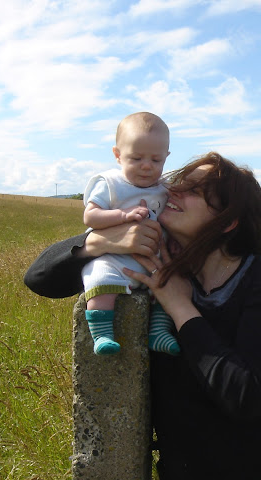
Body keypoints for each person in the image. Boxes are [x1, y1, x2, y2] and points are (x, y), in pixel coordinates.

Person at [24, 152, 261, 479]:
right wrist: (99, 242)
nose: (173, 191)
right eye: (178, 183)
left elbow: (245, 394)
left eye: (193, 191)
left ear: (227, 221)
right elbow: (39, 278)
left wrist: (180, 307)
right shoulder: (159, 265)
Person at [81, 111, 179, 355]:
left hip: (154, 262)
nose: (146, 166)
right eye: (136, 158)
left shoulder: (165, 188)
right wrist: (122, 215)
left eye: (156, 160)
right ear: (117, 155)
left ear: (166, 157)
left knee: (171, 285)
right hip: (114, 259)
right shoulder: (111, 184)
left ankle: (159, 333)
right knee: (99, 280)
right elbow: (90, 217)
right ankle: (102, 334)